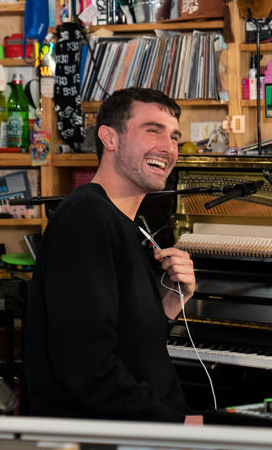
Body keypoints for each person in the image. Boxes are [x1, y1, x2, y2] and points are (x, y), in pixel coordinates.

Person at [25, 88, 197, 422]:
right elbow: (85, 366)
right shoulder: (86, 217)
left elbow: (125, 346)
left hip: (146, 426)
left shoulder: (122, 222)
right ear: (110, 138)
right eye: (153, 130)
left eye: (174, 136)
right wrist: (182, 426)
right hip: (115, 435)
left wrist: (169, 307)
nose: (169, 147)